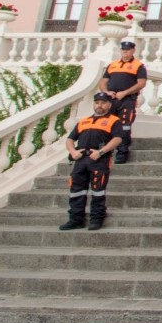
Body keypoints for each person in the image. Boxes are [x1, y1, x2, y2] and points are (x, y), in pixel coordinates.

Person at [59, 91, 124, 231]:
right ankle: (76, 219)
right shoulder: (84, 121)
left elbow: (117, 139)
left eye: (103, 103)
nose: (99, 105)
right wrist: (73, 152)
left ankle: (97, 218)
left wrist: (101, 152)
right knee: (76, 190)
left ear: (109, 105)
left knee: (98, 190)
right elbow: (70, 139)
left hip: (99, 159)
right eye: (97, 102)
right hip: (81, 159)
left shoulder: (114, 120)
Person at [98, 39, 146, 164]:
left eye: (128, 50)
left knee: (125, 125)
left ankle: (122, 152)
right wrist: (107, 92)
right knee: (107, 124)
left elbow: (141, 83)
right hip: (112, 99)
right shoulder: (112, 64)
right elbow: (103, 82)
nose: (125, 52)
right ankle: (105, 150)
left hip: (128, 99)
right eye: (123, 50)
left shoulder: (138, 65)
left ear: (133, 50)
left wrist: (125, 92)